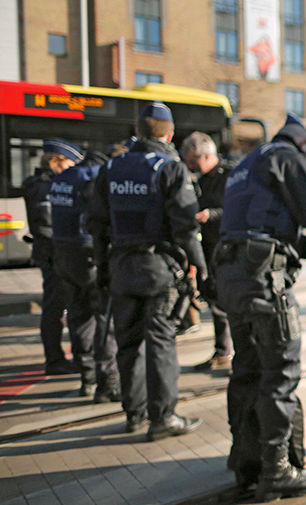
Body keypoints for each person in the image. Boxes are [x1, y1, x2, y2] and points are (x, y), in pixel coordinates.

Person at [215, 114, 306, 501]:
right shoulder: (286, 158)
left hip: (233, 274)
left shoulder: (247, 163)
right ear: (304, 145)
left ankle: (247, 466)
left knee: (246, 371)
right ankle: (277, 471)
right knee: (280, 373)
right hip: (265, 278)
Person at [88, 101, 207, 440]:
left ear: (138, 132)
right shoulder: (170, 168)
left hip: (121, 266)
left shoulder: (111, 168)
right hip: (159, 269)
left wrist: (103, 268)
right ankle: (163, 418)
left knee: (128, 343)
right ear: (169, 134)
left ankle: (134, 414)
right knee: (160, 342)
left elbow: (96, 224)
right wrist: (200, 267)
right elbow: (185, 226)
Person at [49, 149, 121, 401]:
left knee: (78, 317)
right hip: (88, 255)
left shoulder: (62, 178)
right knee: (104, 319)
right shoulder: (93, 177)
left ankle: (87, 377)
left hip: (63, 255)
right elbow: (98, 218)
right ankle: (108, 382)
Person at [23, 139, 82, 376]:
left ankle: (60, 357)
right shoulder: (44, 187)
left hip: (53, 254)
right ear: (55, 161)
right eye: (69, 163)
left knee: (59, 306)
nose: (71, 168)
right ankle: (55, 360)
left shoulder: (44, 183)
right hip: (53, 255)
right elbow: (46, 226)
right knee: (55, 307)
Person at [180, 131, 234, 370]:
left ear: (206, 155)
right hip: (207, 246)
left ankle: (227, 352)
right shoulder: (202, 178)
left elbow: (235, 209)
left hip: (225, 246)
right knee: (214, 300)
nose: (191, 167)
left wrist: (210, 214)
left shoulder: (229, 175)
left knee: (224, 302)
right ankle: (222, 351)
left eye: (194, 161)